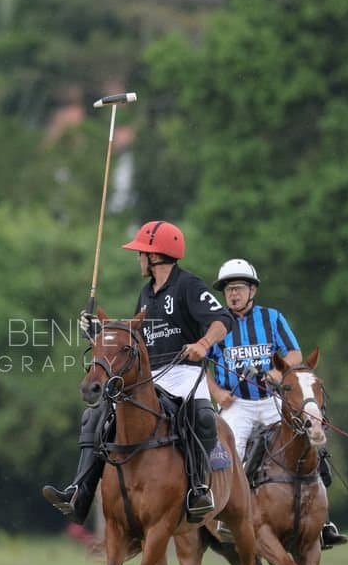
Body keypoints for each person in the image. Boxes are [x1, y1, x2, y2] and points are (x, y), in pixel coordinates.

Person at [42, 220, 232, 524]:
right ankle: (79, 492)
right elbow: (132, 339)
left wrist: (204, 343)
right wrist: (97, 332)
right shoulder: (146, 293)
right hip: (150, 376)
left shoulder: (188, 285)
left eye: (141, 253)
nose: (139, 259)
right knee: (95, 415)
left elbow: (222, 319)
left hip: (184, 372)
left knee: (203, 418)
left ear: (155, 256)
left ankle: (198, 489)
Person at [205, 258, 348, 549]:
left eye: (239, 288)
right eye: (229, 289)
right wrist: (217, 393)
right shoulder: (216, 325)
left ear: (252, 290)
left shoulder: (272, 319)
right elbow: (199, 364)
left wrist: (275, 373)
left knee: (308, 445)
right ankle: (226, 516)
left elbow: (294, 354)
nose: (233, 294)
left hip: (272, 401)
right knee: (229, 455)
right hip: (237, 405)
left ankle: (323, 522)